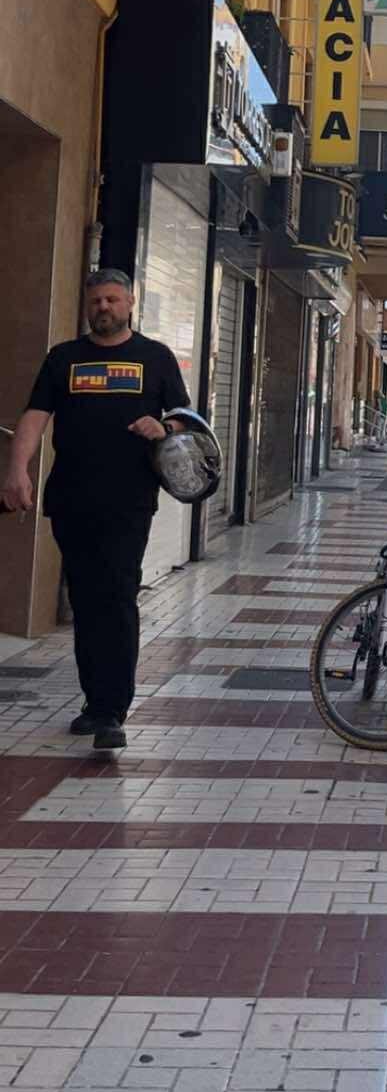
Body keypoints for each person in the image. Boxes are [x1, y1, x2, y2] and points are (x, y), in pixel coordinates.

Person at [1, 269, 188, 751]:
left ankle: (112, 710)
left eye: (112, 299)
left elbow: (184, 419)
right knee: (85, 601)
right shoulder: (64, 358)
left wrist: (163, 427)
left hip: (129, 500)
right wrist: (17, 469)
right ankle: (94, 702)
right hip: (71, 499)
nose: (103, 307)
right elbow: (35, 416)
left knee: (117, 596)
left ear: (130, 303)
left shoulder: (155, 357)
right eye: (96, 301)